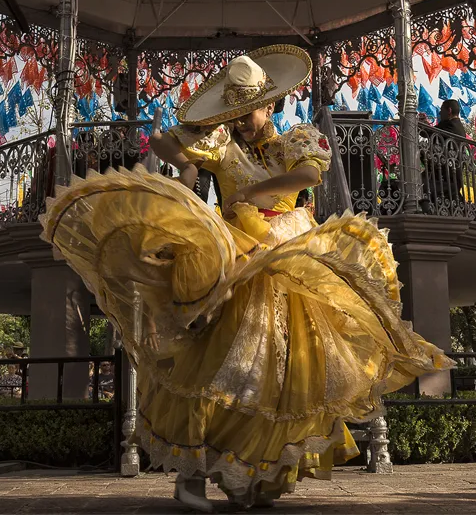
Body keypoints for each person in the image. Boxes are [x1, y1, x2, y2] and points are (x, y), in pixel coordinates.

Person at [40, 46, 450, 511]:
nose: (240, 123)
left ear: (270, 105)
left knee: (283, 377)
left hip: (291, 260)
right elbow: (162, 141)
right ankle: (192, 477)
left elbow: (306, 177)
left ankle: (250, 479)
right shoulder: (222, 144)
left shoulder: (298, 138)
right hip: (237, 259)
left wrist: (253, 190)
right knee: (217, 366)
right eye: (233, 114)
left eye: (248, 112)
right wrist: (189, 163)